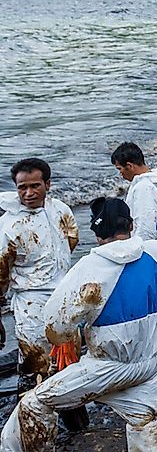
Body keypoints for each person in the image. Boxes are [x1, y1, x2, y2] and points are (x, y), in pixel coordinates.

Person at [0, 197, 157, 452]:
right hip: (153, 362)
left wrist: (78, 332)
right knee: (142, 420)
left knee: (35, 403)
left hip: (108, 368)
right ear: (131, 225)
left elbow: (56, 328)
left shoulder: (93, 266)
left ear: (95, 231)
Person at [0, 159, 78, 391]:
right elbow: (1, 271)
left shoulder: (61, 210)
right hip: (30, 301)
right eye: (22, 187)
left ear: (48, 184)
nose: (29, 193)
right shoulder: (8, 225)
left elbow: (71, 240)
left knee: (68, 360)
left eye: (35, 186)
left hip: (65, 296)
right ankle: (28, 418)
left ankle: (74, 420)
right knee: (35, 362)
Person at [111, 143, 157, 244]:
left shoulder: (144, 188)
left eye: (120, 169)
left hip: (151, 249)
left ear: (129, 166)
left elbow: (145, 228)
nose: (120, 174)